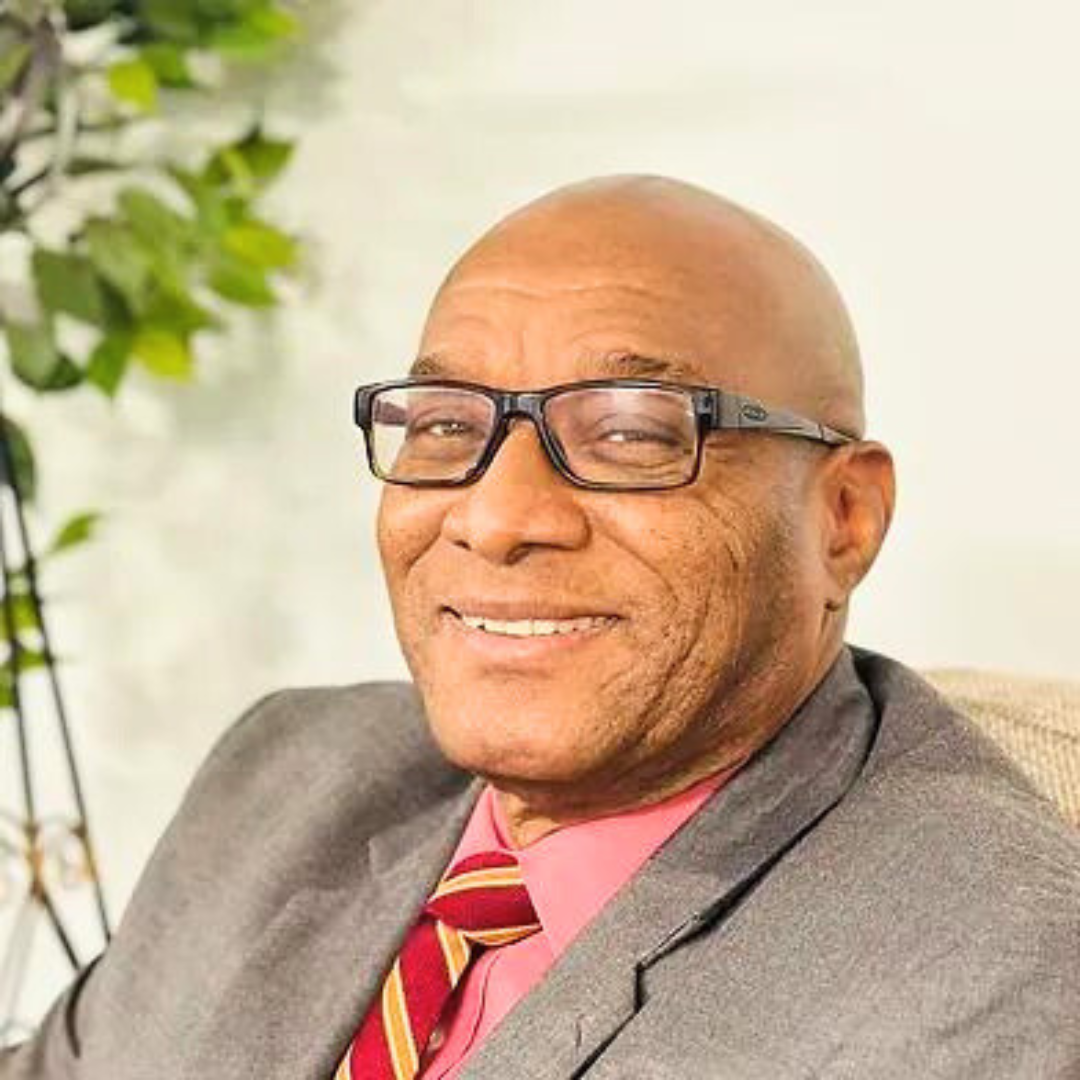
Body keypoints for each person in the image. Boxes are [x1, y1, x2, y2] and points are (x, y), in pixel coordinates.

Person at [4, 175, 1079, 1080]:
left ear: (844, 519)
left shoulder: (992, 967)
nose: (497, 515)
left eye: (629, 433)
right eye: (442, 424)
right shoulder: (286, 774)